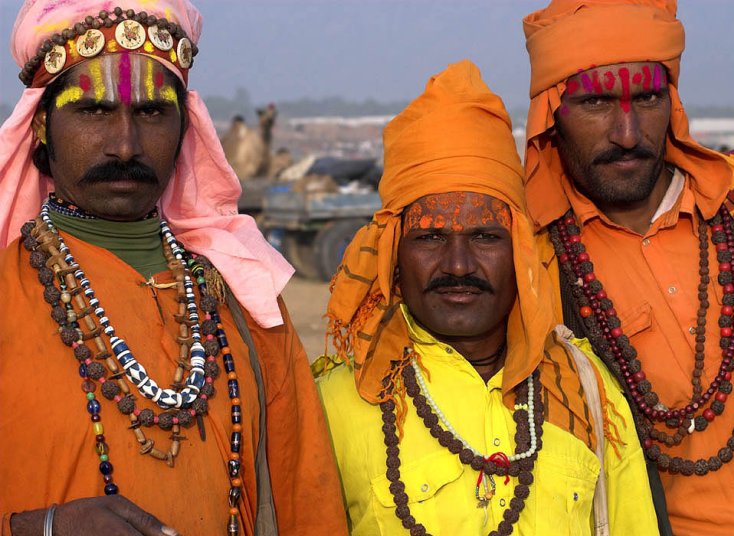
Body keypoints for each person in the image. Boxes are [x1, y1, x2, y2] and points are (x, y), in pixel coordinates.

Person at [0, 1, 347, 535]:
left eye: (151, 112)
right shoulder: (7, 294)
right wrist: (37, 527)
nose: (124, 145)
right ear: (42, 124)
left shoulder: (244, 295)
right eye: (93, 111)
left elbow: (308, 498)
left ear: (185, 126)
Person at [316, 59, 658, 535]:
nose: (458, 266)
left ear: (520, 250)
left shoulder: (585, 390)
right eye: (431, 238)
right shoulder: (334, 404)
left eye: (485, 237)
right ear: (392, 254)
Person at [522, 1, 734, 534]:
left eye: (647, 98)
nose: (627, 133)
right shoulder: (533, 260)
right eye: (597, 103)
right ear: (551, 118)